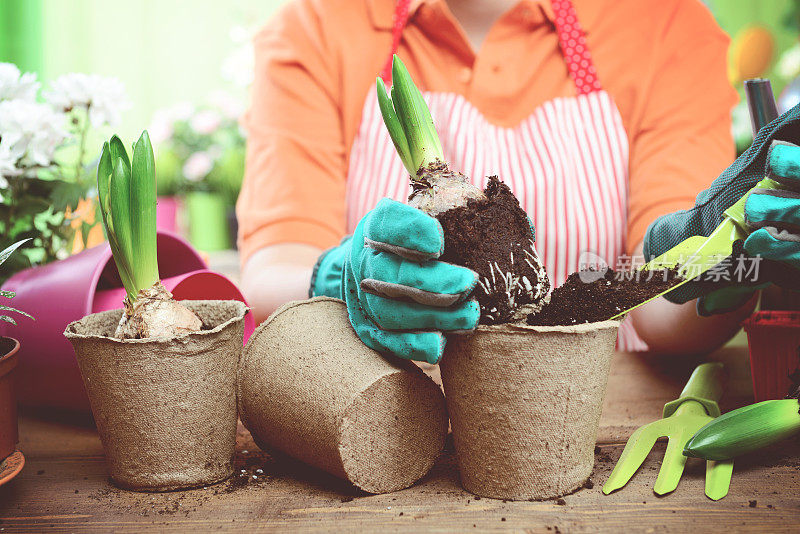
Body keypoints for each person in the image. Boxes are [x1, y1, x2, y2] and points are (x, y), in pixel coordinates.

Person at [237, 0, 767, 363]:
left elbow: (661, 304)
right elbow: (273, 270)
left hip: (595, 412)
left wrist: (732, 263)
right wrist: (339, 278)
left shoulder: (661, 21)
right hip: (387, 415)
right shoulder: (316, 25)